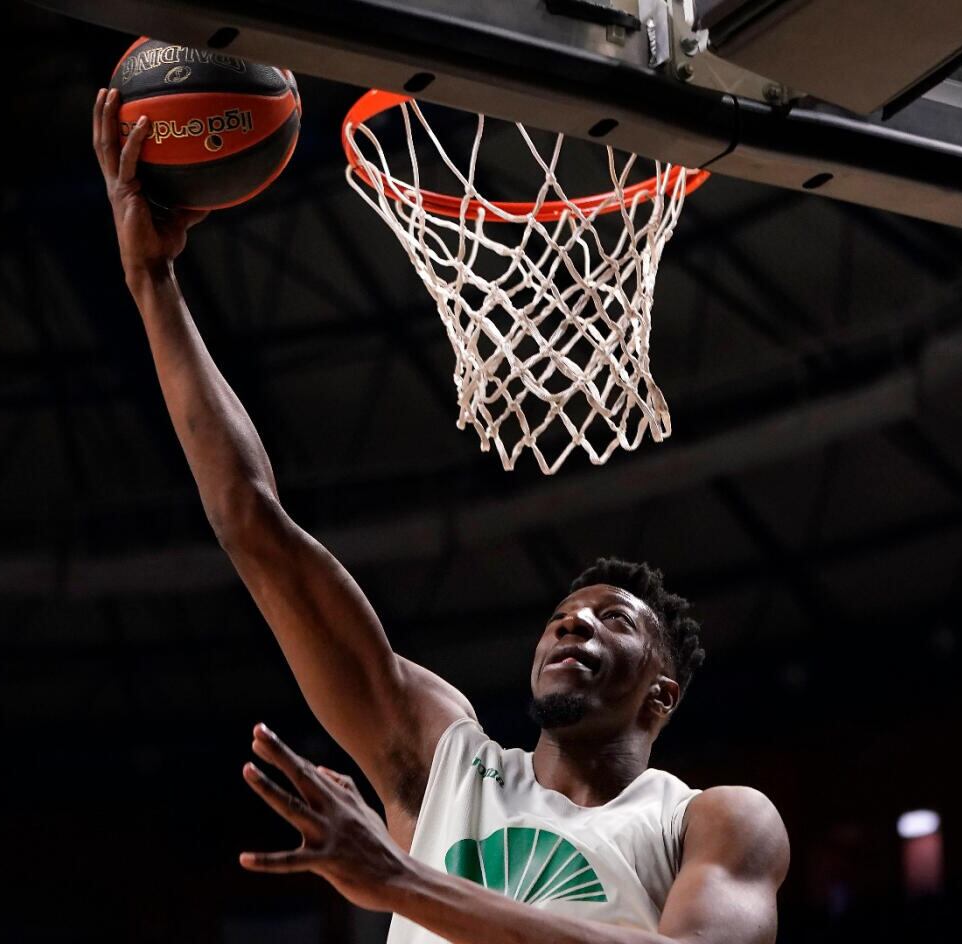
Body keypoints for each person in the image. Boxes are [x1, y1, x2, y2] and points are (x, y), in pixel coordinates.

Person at [92, 86, 790, 943]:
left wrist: (402, 883)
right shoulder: (444, 764)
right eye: (562, 618)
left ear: (662, 694)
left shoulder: (712, 821)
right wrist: (152, 280)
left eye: (612, 621)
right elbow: (253, 523)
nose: (573, 629)